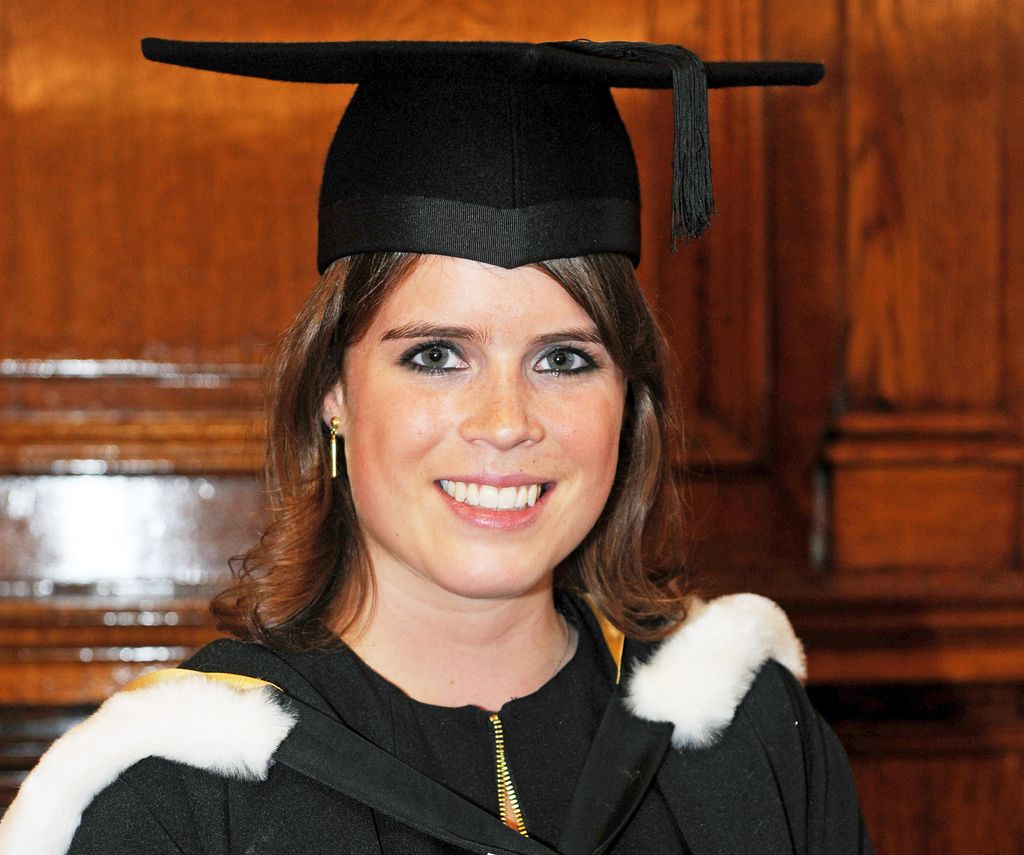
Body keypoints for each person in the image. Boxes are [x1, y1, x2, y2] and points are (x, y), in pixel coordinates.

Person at [0, 39, 873, 855]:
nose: (504, 421)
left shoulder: (748, 737)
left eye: (565, 359)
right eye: (435, 355)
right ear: (332, 392)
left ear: (628, 399)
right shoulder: (182, 794)